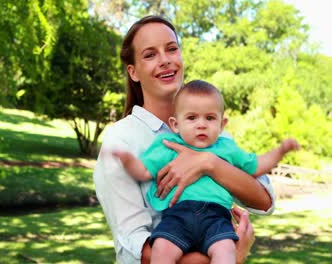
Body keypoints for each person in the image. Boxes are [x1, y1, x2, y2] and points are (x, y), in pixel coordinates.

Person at [93, 15, 277, 264]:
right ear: (133, 72)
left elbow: (265, 200)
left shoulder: (209, 128)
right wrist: (233, 255)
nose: (165, 60)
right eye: (150, 55)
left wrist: (209, 163)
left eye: (171, 49)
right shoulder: (121, 140)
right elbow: (135, 248)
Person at [112, 80, 300, 263]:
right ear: (175, 124)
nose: (201, 124)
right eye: (192, 118)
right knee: (161, 249)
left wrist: (281, 150)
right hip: (177, 216)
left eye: (209, 118)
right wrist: (128, 160)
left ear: (222, 124)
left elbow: (257, 165)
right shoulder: (169, 146)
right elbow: (144, 171)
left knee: (226, 252)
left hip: (216, 217)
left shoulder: (227, 149)